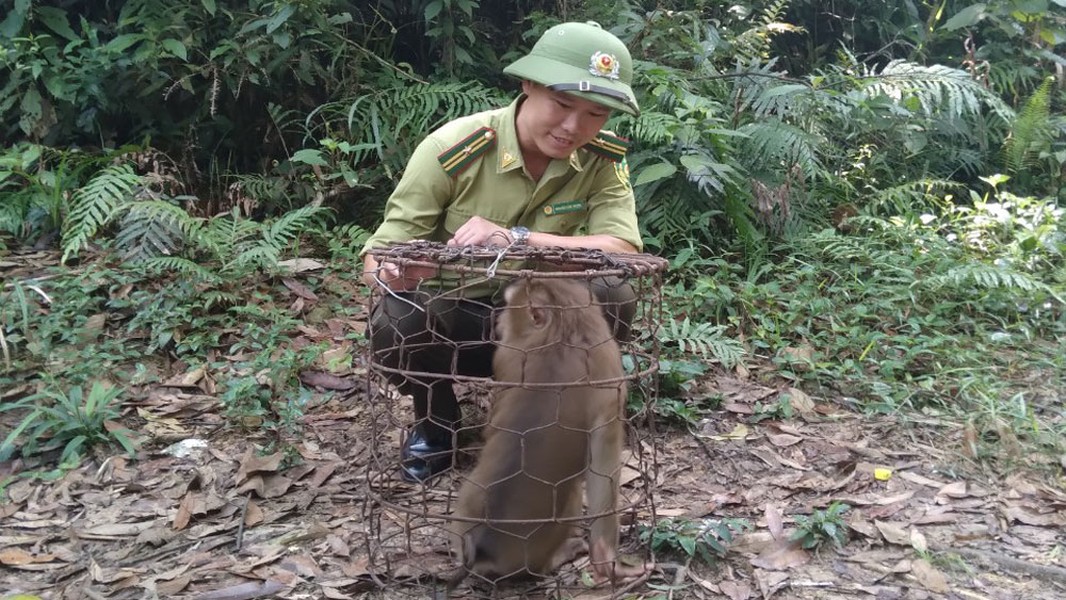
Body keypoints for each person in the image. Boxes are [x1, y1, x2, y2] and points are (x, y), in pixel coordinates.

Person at [361, 21, 643, 481]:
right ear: (529, 85)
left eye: (596, 114)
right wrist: (395, 272)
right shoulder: (454, 148)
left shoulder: (602, 160)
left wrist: (520, 239)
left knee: (612, 290)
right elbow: (379, 254)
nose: (574, 127)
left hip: (538, 320)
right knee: (396, 319)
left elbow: (624, 249)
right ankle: (437, 420)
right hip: (455, 321)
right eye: (562, 103)